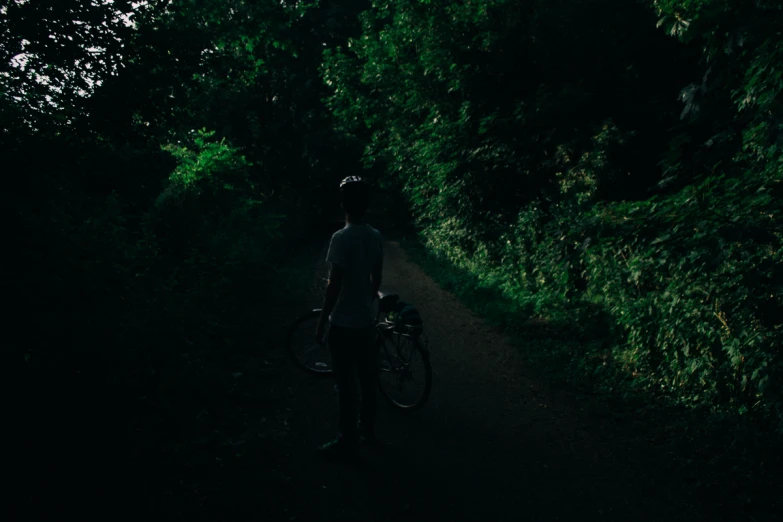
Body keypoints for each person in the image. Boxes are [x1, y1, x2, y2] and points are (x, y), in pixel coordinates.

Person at [314, 176, 384, 459]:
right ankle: (366, 430)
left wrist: (321, 323)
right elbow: (376, 279)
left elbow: (334, 286)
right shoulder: (375, 236)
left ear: (343, 204)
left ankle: (347, 441)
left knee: (345, 385)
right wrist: (367, 303)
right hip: (366, 323)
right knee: (368, 381)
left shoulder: (340, 238)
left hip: (343, 324)